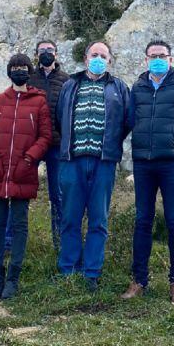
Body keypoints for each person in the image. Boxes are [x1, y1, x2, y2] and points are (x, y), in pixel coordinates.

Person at [121, 39, 174, 305]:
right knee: (143, 220)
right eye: (152, 55)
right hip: (143, 162)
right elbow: (131, 120)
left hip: (171, 164)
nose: (157, 59)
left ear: (170, 58)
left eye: (161, 55)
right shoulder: (138, 87)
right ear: (145, 60)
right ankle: (139, 280)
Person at [54, 41, 132, 291]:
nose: (98, 58)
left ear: (109, 61)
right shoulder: (70, 85)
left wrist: (109, 144)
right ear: (85, 59)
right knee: (70, 217)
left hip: (104, 162)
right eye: (94, 54)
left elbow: (127, 120)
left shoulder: (119, 87)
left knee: (99, 219)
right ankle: (69, 270)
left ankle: (91, 273)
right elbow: (59, 119)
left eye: (103, 55)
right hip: (72, 161)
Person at [0, 53, 52, 299]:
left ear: (30, 72)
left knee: (20, 226)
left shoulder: (39, 102)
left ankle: (13, 280)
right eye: (14, 67)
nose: (19, 71)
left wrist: (30, 159)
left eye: (23, 67)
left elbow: (45, 136)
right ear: (9, 72)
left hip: (23, 172)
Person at [26, 39, 70, 250]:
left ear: (57, 53)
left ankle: (60, 242)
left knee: (58, 195)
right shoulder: (29, 78)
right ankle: (11, 242)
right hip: (32, 144)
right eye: (42, 50)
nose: (46, 53)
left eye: (50, 50)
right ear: (36, 54)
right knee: (21, 190)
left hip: (56, 145)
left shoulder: (66, 80)